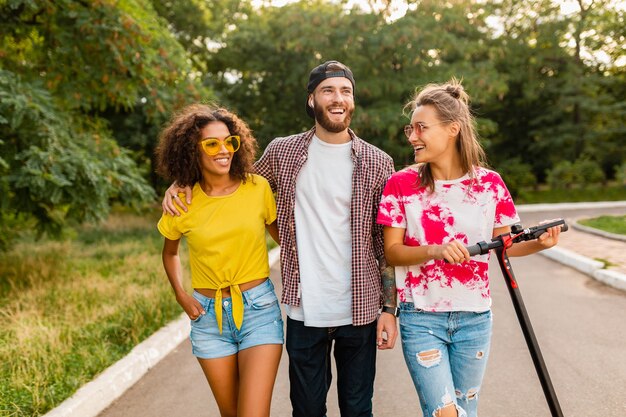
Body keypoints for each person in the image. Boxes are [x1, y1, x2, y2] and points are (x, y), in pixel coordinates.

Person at [162, 61, 399, 417]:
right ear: (311, 100)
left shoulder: (379, 162)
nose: (338, 98)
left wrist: (389, 308)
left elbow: (386, 243)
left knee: (357, 408)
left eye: (345, 91)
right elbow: (228, 181)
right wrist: (181, 181)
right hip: (304, 309)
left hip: (361, 308)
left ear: (353, 99)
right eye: (328, 91)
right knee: (306, 410)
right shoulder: (282, 153)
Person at [376, 79, 561, 417]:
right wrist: (435, 250)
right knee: (444, 412)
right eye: (410, 128)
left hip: (475, 317)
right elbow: (392, 251)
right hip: (422, 317)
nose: (412, 136)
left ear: (453, 130)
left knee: (466, 411)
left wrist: (537, 245)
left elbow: (504, 246)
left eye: (421, 128)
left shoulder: (489, 185)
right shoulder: (401, 184)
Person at [155, 104, 283, 417]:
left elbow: (286, 241)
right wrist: (181, 295)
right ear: (191, 151)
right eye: (212, 144)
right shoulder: (183, 200)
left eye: (229, 142)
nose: (223, 150)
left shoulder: (257, 188)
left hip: (259, 313)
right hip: (208, 319)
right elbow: (170, 252)